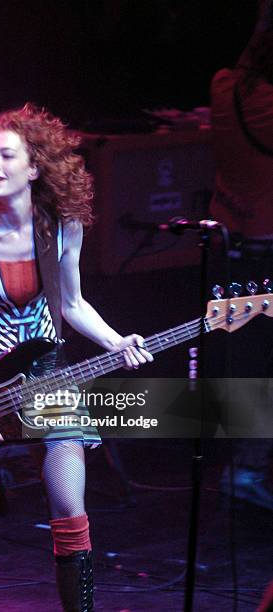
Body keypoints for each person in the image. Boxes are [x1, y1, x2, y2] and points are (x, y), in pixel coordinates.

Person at [0, 103, 153, 612]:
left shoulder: (62, 227)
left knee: (70, 508)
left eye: (6, 155)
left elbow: (71, 302)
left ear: (35, 167)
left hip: (44, 379)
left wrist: (115, 341)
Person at [209, 1, 273, 506]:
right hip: (267, 249)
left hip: (233, 245)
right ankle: (248, 470)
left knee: (251, 360)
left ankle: (245, 468)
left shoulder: (224, 86)